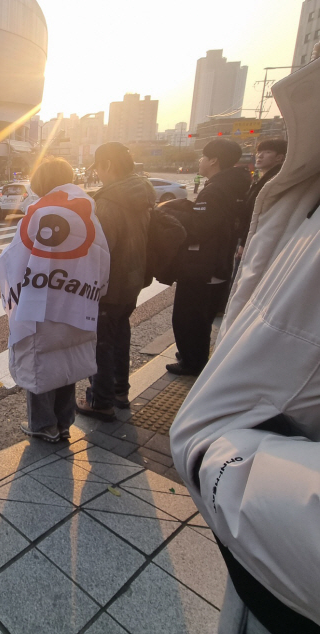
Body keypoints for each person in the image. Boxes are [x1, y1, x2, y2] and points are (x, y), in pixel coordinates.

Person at [171, 55, 320, 634]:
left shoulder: (226, 188)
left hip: (282, 571)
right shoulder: (288, 185)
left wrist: (214, 453)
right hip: (269, 571)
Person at [0, 157, 110, 442]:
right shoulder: (89, 212)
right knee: (68, 361)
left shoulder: (38, 212)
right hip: (78, 300)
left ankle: (43, 425)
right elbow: (102, 256)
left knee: (40, 363)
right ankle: (64, 422)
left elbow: (13, 258)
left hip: (41, 303)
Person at [76, 142, 155, 421]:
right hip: (132, 279)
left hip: (110, 286)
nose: (97, 173)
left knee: (101, 343)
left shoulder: (109, 202)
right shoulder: (140, 194)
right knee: (120, 334)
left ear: (107, 165)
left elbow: (100, 250)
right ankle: (120, 391)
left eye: (97, 166)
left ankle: (101, 401)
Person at [160, 139, 249, 376]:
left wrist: (174, 210)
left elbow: (200, 228)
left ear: (213, 160)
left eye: (203, 157)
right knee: (202, 316)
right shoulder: (234, 186)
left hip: (202, 265)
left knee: (188, 316)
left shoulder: (215, 190)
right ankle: (192, 352)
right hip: (218, 262)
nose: (200, 161)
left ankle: (192, 361)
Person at [235, 139, 286, 258]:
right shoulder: (264, 180)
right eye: (259, 152)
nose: (260, 156)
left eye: (267, 152)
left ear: (280, 157)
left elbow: (256, 215)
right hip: (252, 239)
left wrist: (243, 243)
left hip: (255, 242)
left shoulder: (273, 183)